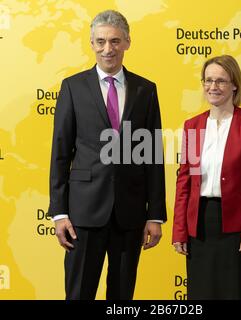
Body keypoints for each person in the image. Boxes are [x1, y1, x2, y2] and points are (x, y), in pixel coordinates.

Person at [48, 10, 166, 300]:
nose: (107, 49)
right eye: (100, 41)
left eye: (114, 41)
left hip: (130, 211)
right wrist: (59, 212)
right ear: (91, 43)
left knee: (122, 296)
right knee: (79, 293)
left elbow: (153, 155)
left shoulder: (146, 90)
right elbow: (61, 152)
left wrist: (155, 215)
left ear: (127, 42)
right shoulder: (73, 87)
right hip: (83, 213)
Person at [172, 55, 241, 300]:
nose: (212, 87)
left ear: (234, 84)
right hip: (200, 227)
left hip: (236, 228)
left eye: (220, 81)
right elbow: (185, 180)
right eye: (208, 80)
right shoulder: (192, 126)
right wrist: (179, 230)